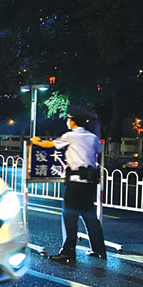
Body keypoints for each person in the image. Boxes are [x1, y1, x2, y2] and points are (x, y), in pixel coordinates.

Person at [31, 104, 107, 262]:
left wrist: (36, 141)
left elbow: (50, 145)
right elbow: (99, 149)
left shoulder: (71, 136)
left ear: (73, 122)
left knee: (70, 217)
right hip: (89, 183)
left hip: (75, 183)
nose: (67, 121)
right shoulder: (92, 137)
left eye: (68, 119)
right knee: (90, 216)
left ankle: (68, 252)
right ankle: (99, 249)